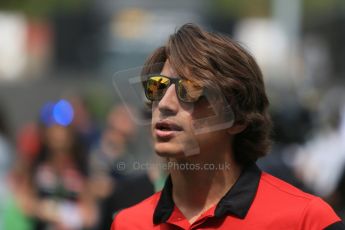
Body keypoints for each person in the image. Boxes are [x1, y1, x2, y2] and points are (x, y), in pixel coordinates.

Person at [110, 23, 344, 229]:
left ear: (239, 119)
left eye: (191, 89)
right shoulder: (129, 223)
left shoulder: (306, 220)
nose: (165, 103)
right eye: (157, 86)